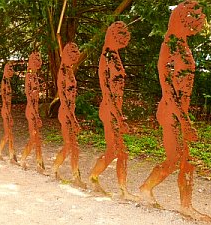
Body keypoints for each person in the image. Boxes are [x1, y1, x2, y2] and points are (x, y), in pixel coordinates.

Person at [139, 1, 211, 221]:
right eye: (193, 18)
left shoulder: (182, 43)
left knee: (179, 160)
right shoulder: (169, 45)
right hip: (171, 111)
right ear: (182, 18)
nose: (198, 23)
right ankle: (157, 195)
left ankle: (151, 190)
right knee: (180, 160)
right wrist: (185, 120)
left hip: (180, 111)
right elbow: (168, 88)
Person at [89, 21, 135, 200]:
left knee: (118, 151)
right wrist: (119, 117)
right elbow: (107, 92)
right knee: (117, 151)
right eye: (121, 35)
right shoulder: (107, 57)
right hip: (110, 110)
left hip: (114, 109)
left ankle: (119, 188)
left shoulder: (114, 55)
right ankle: (97, 178)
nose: (125, 38)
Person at [52, 42, 86, 188]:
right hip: (66, 114)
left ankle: (75, 176)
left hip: (70, 112)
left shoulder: (69, 70)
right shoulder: (63, 73)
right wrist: (74, 120)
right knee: (68, 146)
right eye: (72, 52)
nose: (76, 55)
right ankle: (54, 169)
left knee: (74, 147)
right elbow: (64, 100)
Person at [21, 52, 45, 173]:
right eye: (36, 59)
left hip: (35, 109)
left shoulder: (34, 76)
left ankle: (39, 164)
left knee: (37, 138)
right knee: (34, 137)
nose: (39, 61)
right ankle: (24, 159)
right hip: (31, 110)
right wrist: (36, 115)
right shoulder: (29, 76)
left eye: (39, 59)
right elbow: (30, 98)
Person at [0, 62, 17, 163]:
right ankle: (0, 151)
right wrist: (8, 114)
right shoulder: (4, 82)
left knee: (10, 134)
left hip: (8, 109)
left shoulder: (8, 82)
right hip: (5, 110)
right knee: (7, 134)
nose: (11, 71)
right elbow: (4, 99)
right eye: (9, 69)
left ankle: (12, 155)